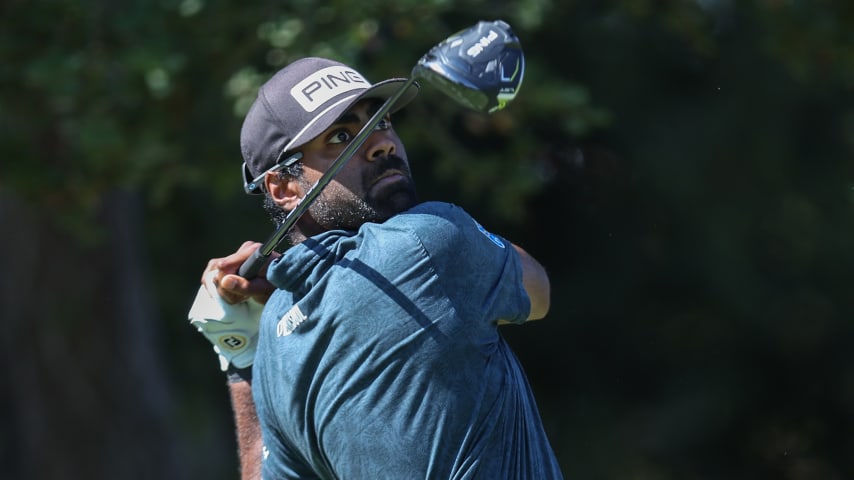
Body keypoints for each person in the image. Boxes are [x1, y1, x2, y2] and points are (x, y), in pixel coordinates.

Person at [190, 56, 563, 479]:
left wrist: (242, 352)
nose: (381, 144)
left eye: (381, 121)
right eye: (342, 136)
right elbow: (538, 291)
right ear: (283, 187)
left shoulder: (278, 337)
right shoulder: (427, 240)